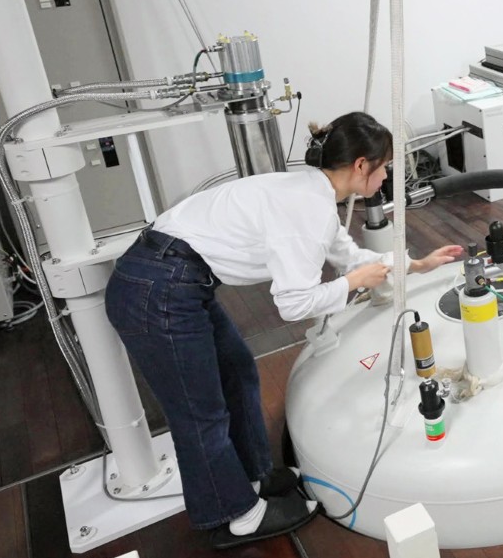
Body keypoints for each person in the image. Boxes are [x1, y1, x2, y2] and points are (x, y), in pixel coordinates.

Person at [104, 111, 463, 549]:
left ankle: (256, 475)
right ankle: (238, 515)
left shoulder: (313, 193)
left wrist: (415, 265)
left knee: (237, 370)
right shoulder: (306, 211)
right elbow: (293, 304)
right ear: (361, 166)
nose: (387, 175)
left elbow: (349, 256)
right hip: (157, 288)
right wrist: (353, 284)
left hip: (177, 277)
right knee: (200, 413)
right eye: (385, 166)